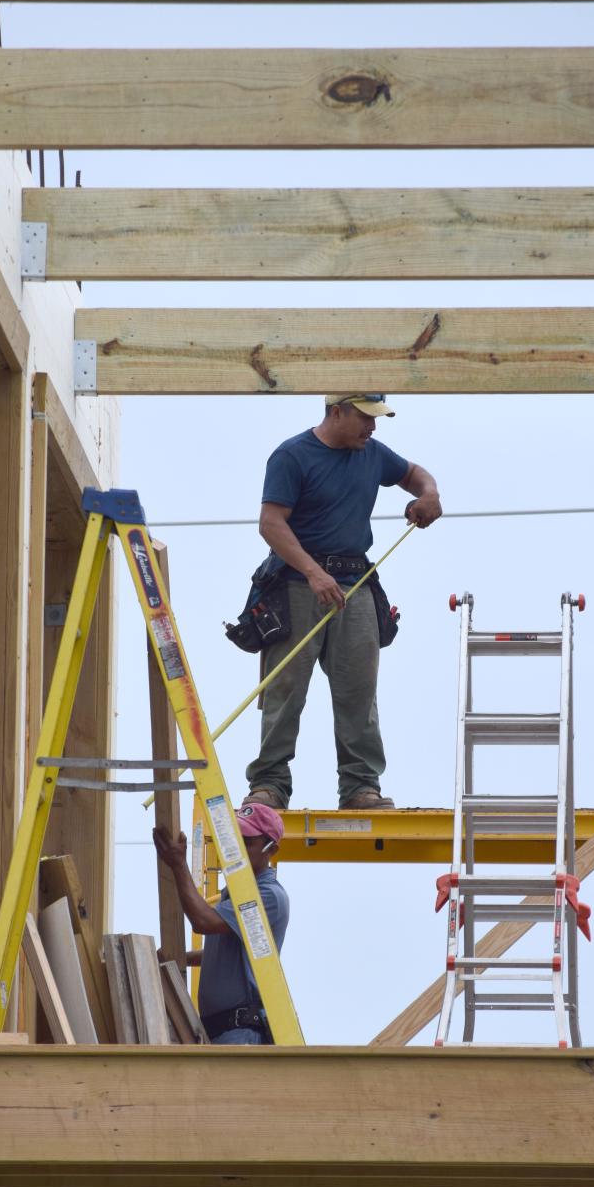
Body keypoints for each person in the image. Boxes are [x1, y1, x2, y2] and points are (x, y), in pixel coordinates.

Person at [244, 392, 441, 812]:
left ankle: (360, 787)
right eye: (365, 418)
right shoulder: (293, 456)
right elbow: (270, 522)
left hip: (355, 585)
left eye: (376, 420)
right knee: (285, 689)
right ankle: (269, 786)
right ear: (335, 411)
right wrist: (314, 573)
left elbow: (415, 474)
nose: (372, 428)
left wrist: (430, 494)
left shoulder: (371, 452)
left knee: (359, 691)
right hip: (297, 584)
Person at [152, 801, 288, 1044]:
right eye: (235, 840)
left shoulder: (268, 896)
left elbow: (203, 921)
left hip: (241, 1033)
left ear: (271, 849)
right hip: (221, 1031)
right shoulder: (235, 893)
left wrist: (179, 865)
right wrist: (179, 958)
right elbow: (223, 954)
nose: (237, 849)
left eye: (247, 843)